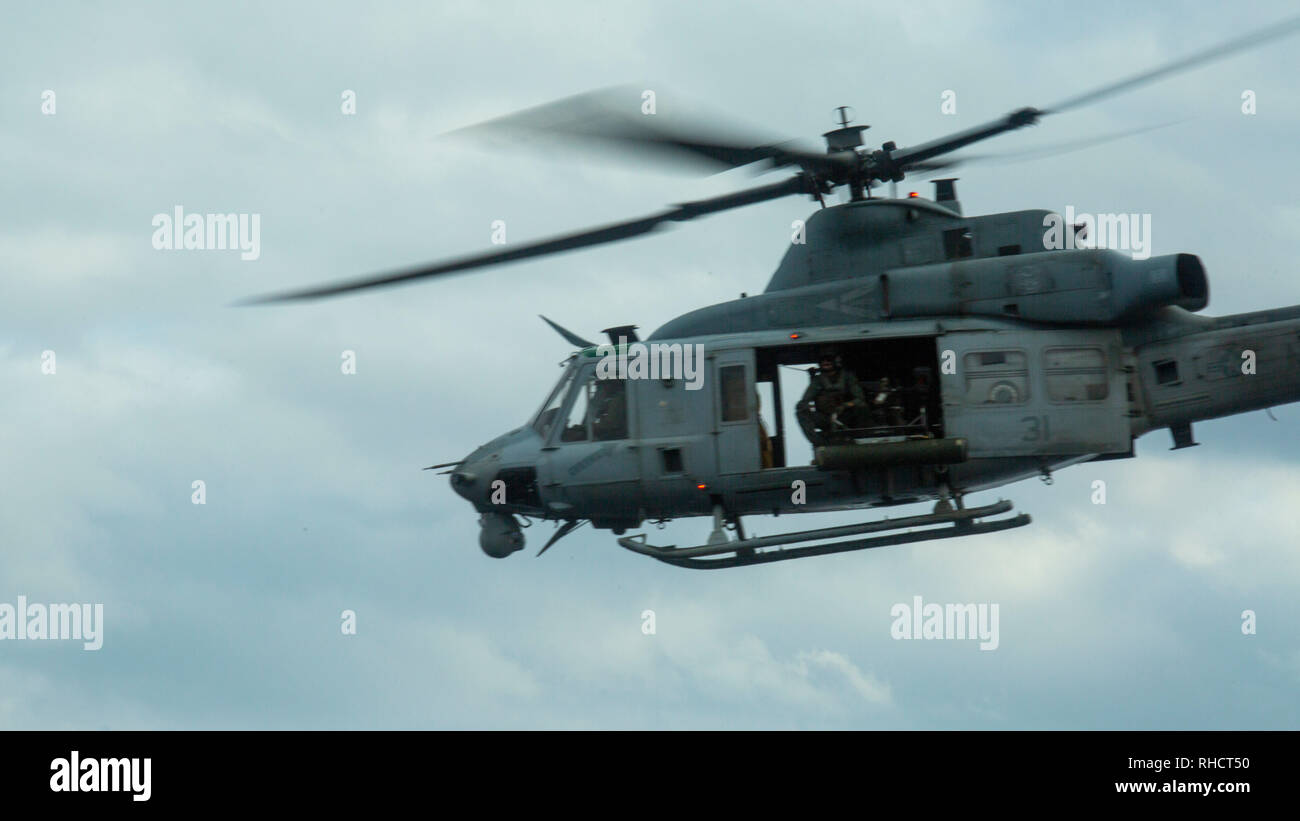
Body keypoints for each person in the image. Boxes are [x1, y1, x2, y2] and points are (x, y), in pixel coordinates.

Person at [797, 350, 866, 446]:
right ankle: (819, 442)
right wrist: (805, 406)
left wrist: (845, 405)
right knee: (800, 411)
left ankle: (862, 436)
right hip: (826, 418)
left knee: (861, 408)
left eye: (828, 359)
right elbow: (804, 401)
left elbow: (860, 399)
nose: (825, 362)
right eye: (822, 360)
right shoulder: (818, 380)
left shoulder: (847, 377)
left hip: (846, 415)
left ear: (836, 361)